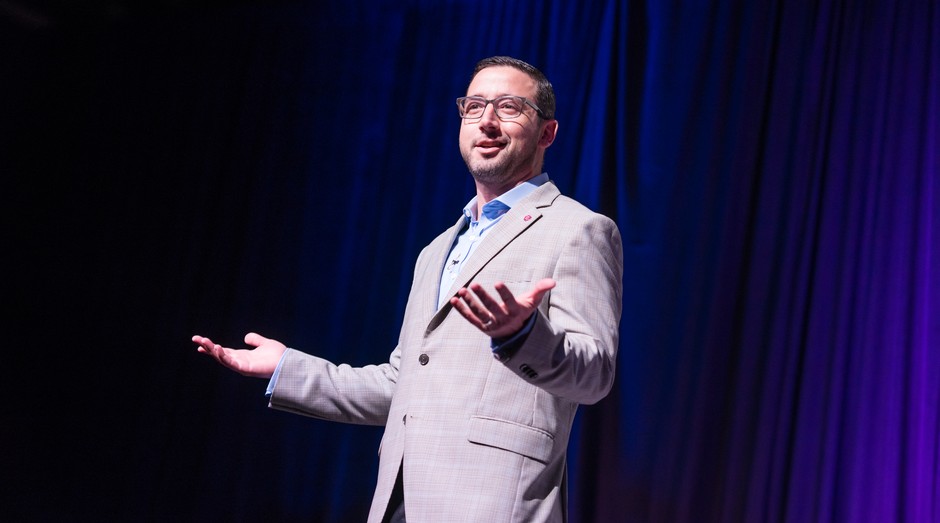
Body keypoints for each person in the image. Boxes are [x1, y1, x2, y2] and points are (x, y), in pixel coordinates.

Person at [193, 55, 623, 522]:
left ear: (546, 133)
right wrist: (287, 369)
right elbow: (405, 384)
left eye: (510, 107)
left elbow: (594, 373)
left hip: (495, 504)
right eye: (475, 106)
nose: (488, 122)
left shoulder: (579, 229)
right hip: (399, 502)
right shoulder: (436, 251)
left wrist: (524, 335)